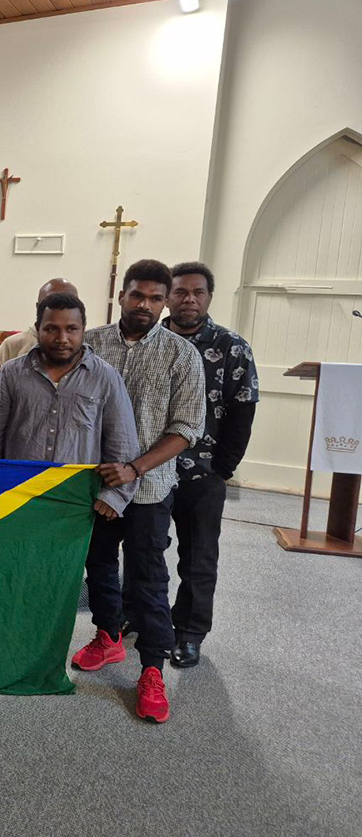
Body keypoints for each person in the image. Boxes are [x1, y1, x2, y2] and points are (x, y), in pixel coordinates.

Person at [75, 259, 205, 725]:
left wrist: (135, 468)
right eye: (137, 295)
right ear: (122, 295)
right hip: (96, 483)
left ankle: (151, 669)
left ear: (166, 300)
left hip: (148, 486)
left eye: (155, 298)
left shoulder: (180, 355)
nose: (145, 305)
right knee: (99, 565)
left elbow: (186, 428)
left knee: (148, 576)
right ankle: (107, 637)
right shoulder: (91, 344)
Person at [163, 261, 259, 668]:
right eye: (181, 292)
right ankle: (141, 614)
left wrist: (223, 467)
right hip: (148, 468)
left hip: (203, 471)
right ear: (168, 296)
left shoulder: (231, 346)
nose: (189, 299)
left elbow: (243, 409)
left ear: (209, 297)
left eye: (197, 293)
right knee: (143, 549)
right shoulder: (151, 339)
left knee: (198, 556)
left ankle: (189, 632)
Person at [0, 292, 140, 520]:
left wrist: (114, 496)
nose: (62, 338)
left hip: (79, 502)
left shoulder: (105, 377)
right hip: (16, 498)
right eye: (51, 328)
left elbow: (122, 444)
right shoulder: (11, 374)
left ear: (83, 329)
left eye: (71, 329)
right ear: (38, 328)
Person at [0, 277, 79, 366]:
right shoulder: (12, 345)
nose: (60, 311)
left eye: (68, 305)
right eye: (52, 305)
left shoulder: (88, 344)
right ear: (38, 307)